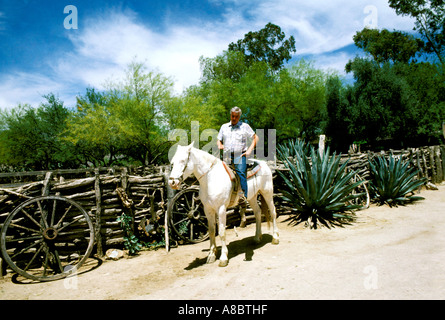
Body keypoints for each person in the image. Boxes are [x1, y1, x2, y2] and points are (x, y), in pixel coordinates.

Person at [217, 106, 259, 201]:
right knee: (219, 173)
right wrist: (220, 145)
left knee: (240, 172)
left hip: (239, 154)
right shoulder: (224, 127)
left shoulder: (245, 126)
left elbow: (256, 138)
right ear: (230, 115)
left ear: (239, 117)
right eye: (232, 116)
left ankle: (243, 196)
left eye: (236, 116)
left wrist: (249, 150)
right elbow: (218, 140)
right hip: (226, 155)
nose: (234, 118)